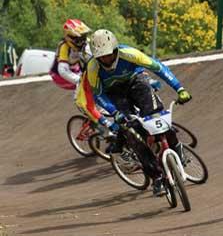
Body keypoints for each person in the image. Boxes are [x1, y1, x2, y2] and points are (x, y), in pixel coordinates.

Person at [75, 29, 192, 195]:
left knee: (157, 114)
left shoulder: (129, 53)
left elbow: (158, 68)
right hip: (115, 95)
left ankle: (176, 146)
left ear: (115, 49)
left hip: (136, 82)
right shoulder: (93, 67)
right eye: (100, 57)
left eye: (108, 54)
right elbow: (98, 94)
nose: (105, 60)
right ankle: (157, 177)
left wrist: (179, 88)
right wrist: (114, 112)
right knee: (132, 134)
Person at [49, 19, 92, 90]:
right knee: (83, 84)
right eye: (79, 38)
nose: (82, 41)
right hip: (59, 76)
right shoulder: (64, 46)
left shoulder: (85, 42)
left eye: (83, 37)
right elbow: (62, 71)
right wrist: (80, 81)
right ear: (70, 37)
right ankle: (79, 99)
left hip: (73, 70)